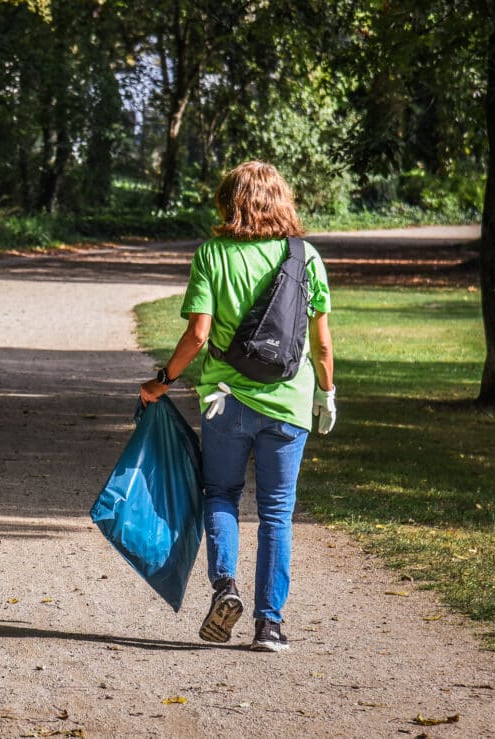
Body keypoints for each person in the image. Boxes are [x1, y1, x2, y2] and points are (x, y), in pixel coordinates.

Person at [140, 161, 335, 652]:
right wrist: (326, 394)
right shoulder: (305, 256)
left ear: (229, 203)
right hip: (289, 403)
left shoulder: (212, 254)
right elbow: (322, 344)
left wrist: (164, 381)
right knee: (276, 513)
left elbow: (199, 334)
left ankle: (225, 587)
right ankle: (269, 625)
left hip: (225, 402)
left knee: (221, 494)